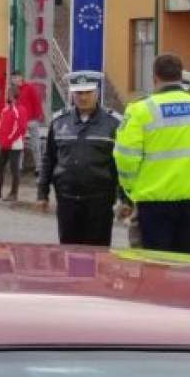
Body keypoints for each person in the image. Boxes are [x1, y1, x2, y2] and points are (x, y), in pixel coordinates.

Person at [114, 53, 190, 255]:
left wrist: (130, 190)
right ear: (180, 76)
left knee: (157, 264)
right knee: (189, 263)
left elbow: (125, 156)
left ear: (155, 78)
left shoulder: (140, 110)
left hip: (155, 201)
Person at [36, 71, 122, 246]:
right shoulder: (59, 122)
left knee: (98, 255)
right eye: (78, 93)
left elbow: (121, 165)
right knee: (69, 253)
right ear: (72, 94)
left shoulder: (113, 123)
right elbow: (49, 160)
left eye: (88, 93)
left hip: (100, 202)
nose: (83, 97)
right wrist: (42, 193)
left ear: (97, 93)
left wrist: (125, 199)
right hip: (67, 200)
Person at [0, 84, 28, 201]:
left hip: (14, 144)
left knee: (14, 168)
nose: (7, 96)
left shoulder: (19, 109)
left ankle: (13, 193)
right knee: (0, 166)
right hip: (6, 142)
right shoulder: (7, 108)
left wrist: (9, 139)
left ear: (12, 95)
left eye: (8, 94)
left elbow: (21, 128)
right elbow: (2, 124)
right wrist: (1, 138)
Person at [11, 70, 45, 172]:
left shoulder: (29, 87)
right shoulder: (12, 90)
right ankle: (19, 167)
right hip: (19, 122)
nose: (14, 80)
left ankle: (39, 168)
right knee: (19, 145)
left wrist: (39, 115)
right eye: (13, 78)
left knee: (36, 145)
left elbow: (36, 101)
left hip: (32, 121)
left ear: (21, 77)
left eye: (16, 77)